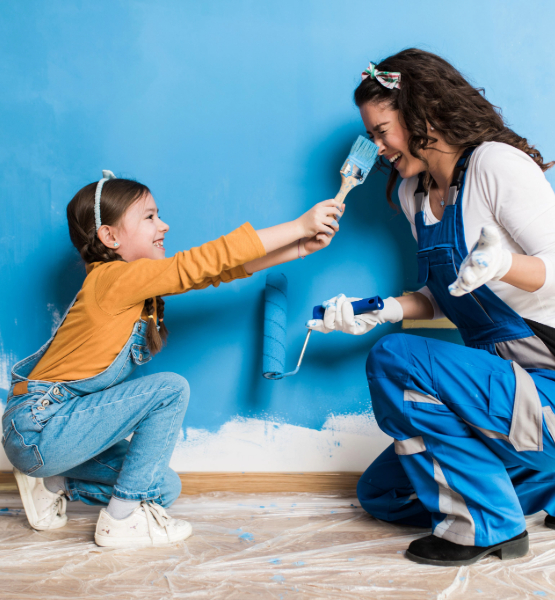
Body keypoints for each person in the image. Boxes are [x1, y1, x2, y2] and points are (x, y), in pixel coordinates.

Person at [3, 170, 342, 548]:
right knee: (169, 389)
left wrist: (298, 247)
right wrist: (297, 225)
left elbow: (215, 273)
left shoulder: (134, 288)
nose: (163, 224)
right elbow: (201, 263)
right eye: (149, 217)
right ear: (109, 237)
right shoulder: (111, 280)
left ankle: (53, 484)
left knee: (162, 486)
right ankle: (120, 522)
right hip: (39, 428)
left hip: (59, 437)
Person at [308, 48, 555, 566]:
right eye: (370, 138)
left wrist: (504, 263)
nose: (377, 149)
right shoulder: (412, 194)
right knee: (384, 494)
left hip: (546, 385)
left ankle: (490, 527)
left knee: (394, 358)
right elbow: (447, 293)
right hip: (501, 390)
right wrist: (380, 309)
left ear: (422, 116)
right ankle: (547, 485)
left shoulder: (496, 165)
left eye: (382, 132)